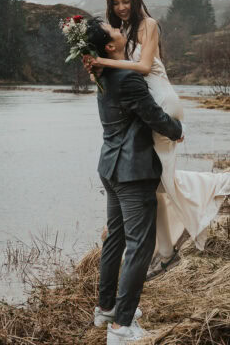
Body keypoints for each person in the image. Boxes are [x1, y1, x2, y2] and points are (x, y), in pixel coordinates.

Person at [85, 0, 230, 279]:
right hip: (146, 103)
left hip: (161, 101)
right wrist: (97, 65)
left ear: (135, 0)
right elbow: (118, 73)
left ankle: (225, 184)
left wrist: (104, 63)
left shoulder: (149, 24)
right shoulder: (118, 33)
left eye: (125, 1)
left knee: (157, 179)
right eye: (115, 3)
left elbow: (145, 68)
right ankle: (165, 252)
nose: (121, 8)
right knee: (153, 180)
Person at [84, 17, 183, 345]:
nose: (119, 29)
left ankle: (106, 309)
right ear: (110, 46)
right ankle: (122, 327)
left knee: (115, 239)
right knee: (142, 245)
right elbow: (152, 114)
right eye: (112, 30)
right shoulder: (127, 76)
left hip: (110, 167)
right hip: (133, 171)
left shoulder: (104, 73)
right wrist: (177, 130)